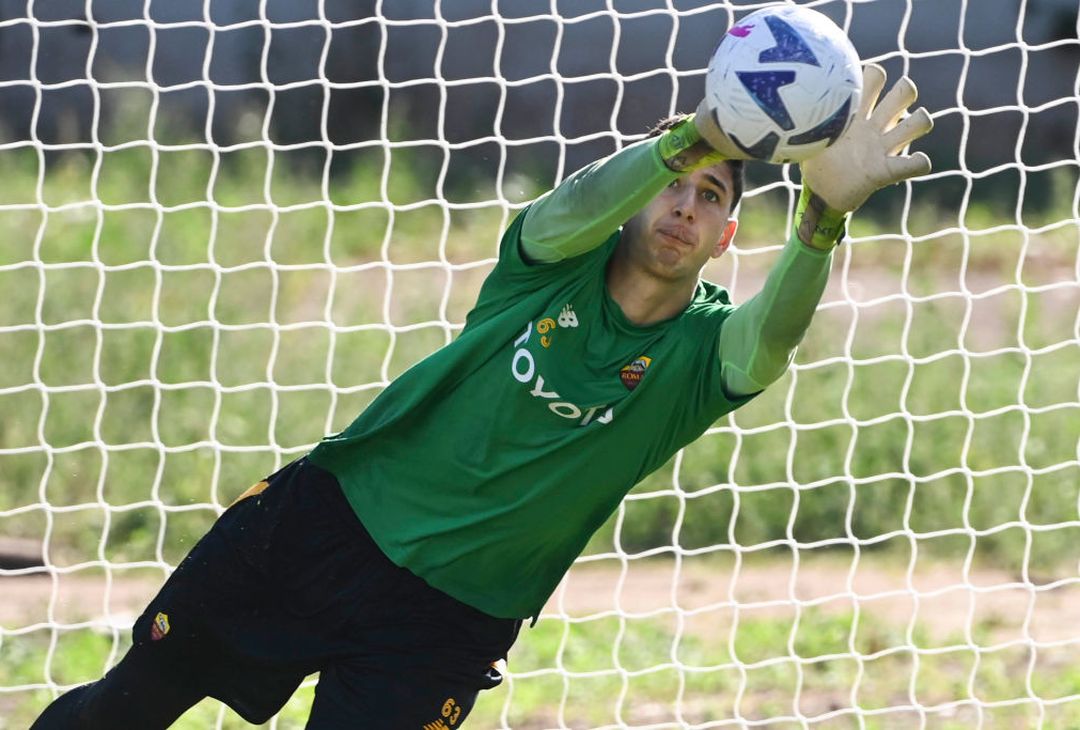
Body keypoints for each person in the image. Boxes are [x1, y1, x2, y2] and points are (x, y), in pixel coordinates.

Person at [32, 63, 931, 728]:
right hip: (320, 531)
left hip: (446, 624)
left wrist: (823, 220)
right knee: (124, 710)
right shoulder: (545, 267)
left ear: (725, 236)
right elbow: (570, 208)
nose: (682, 206)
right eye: (671, 187)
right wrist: (692, 136)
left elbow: (770, 340)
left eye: (707, 196)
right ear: (635, 201)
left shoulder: (701, 354)